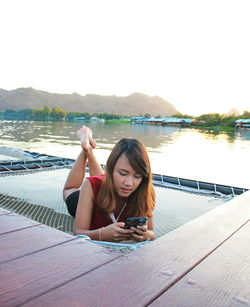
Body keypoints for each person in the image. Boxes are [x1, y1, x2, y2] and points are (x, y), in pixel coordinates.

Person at [63, 126, 155, 242]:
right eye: (122, 173)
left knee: (101, 181)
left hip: (107, 187)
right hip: (84, 199)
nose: (129, 183)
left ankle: (89, 148)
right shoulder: (90, 187)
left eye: (137, 176)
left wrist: (145, 234)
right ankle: (86, 148)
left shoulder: (145, 191)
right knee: (71, 189)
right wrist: (102, 234)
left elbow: (152, 233)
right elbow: (78, 232)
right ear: (110, 169)